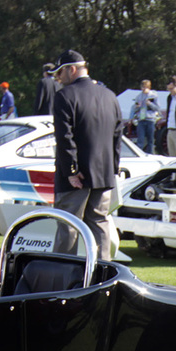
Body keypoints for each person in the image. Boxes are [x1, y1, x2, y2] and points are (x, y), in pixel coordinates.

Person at [49, 49, 123, 256]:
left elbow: (65, 137)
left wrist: (71, 170)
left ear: (72, 70)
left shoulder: (65, 96)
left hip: (77, 177)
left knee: (68, 226)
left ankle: (64, 276)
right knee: (99, 223)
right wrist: (112, 169)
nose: (57, 77)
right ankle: (103, 275)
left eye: (59, 72)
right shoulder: (109, 96)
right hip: (104, 174)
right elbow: (117, 136)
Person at [130, 79, 159, 151]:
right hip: (141, 119)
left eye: (145, 87)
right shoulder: (139, 96)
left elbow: (157, 108)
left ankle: (150, 154)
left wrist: (150, 104)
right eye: (142, 87)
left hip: (150, 120)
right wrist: (136, 106)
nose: (143, 89)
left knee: (150, 140)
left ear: (149, 87)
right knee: (140, 140)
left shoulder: (154, 96)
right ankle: (140, 154)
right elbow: (133, 108)